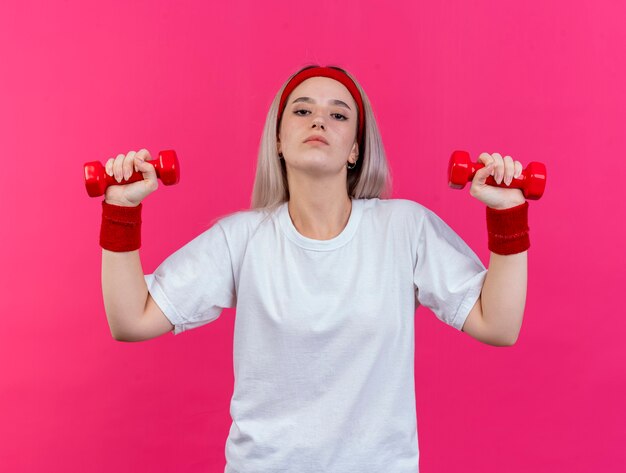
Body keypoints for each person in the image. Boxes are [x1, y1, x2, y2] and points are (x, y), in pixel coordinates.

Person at [99, 65, 530, 472]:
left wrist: (509, 214)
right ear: (279, 141)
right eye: (302, 110)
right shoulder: (241, 238)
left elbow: (498, 325)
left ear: (356, 149)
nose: (318, 121)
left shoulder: (404, 228)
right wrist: (121, 208)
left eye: (338, 114)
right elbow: (131, 319)